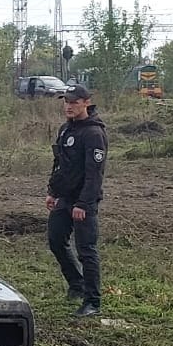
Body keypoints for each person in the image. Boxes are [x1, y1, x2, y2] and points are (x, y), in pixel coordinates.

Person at [46, 85, 107, 317]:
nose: (69, 106)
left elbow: (94, 175)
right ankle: (76, 284)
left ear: (86, 102)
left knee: (86, 250)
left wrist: (83, 204)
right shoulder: (65, 130)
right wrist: (52, 191)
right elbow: (59, 164)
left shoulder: (93, 133)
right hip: (65, 197)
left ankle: (92, 301)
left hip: (84, 201)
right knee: (55, 239)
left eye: (74, 102)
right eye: (66, 102)